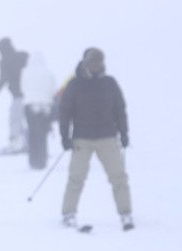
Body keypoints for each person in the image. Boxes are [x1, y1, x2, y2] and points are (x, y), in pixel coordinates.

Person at [58, 48, 133, 231]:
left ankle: (126, 214)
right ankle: (69, 213)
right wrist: (64, 136)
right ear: (85, 63)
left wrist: (124, 133)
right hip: (82, 139)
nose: (95, 67)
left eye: (98, 63)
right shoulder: (75, 85)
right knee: (76, 177)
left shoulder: (109, 83)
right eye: (92, 63)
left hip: (107, 137)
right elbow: (64, 111)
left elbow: (120, 109)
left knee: (118, 177)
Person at [0, 37, 29, 151]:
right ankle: (27, 143)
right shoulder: (23, 56)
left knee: (15, 119)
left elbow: (3, 79)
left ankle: (16, 144)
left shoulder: (5, 61)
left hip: (18, 96)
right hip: (31, 95)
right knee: (27, 119)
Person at [21, 52, 57, 169]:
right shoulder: (48, 72)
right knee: (43, 134)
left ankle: (33, 161)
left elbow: (23, 88)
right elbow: (53, 89)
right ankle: (42, 160)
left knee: (33, 133)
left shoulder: (26, 72)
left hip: (31, 105)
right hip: (46, 106)